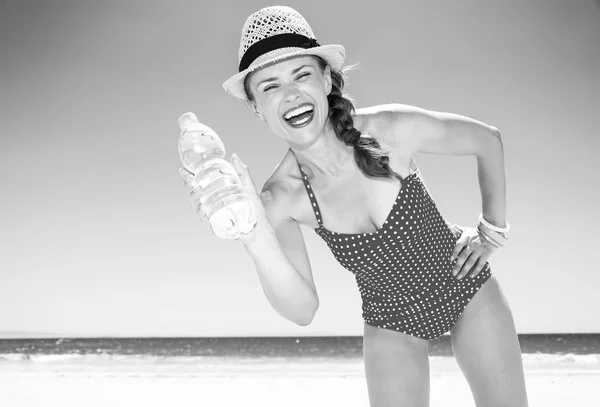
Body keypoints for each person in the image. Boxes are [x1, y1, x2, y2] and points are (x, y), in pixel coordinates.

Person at [179, 6, 529, 407]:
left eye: (302, 74)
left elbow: (488, 141)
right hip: (391, 327)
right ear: (256, 106)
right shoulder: (281, 198)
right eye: (270, 86)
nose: (291, 94)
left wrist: (490, 233)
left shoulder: (388, 130)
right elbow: (302, 310)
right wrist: (253, 235)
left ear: (326, 79)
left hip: (466, 287)